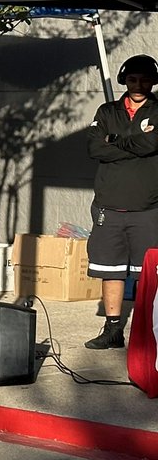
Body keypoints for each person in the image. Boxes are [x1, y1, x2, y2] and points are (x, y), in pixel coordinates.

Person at [85, 54, 158, 349]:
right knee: (110, 270)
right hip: (108, 207)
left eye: (144, 79)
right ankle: (112, 330)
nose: (138, 85)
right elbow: (94, 149)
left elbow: (153, 143)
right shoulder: (107, 111)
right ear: (124, 81)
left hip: (148, 208)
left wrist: (114, 141)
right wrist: (135, 143)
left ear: (152, 82)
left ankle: (146, 332)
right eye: (132, 79)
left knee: (148, 274)